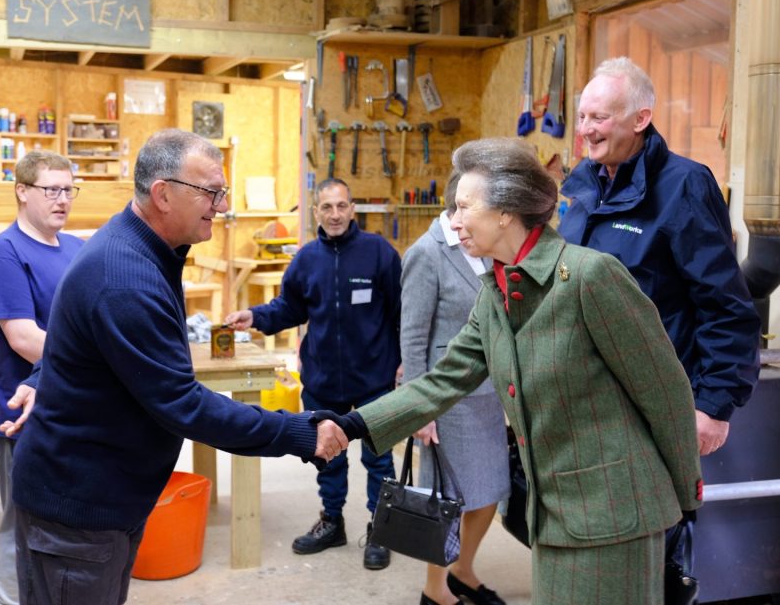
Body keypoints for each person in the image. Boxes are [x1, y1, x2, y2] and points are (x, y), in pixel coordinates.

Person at [326, 138, 703, 605]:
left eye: (464, 207)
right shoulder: (498, 293)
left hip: (615, 515)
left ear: (505, 212)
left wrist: (686, 496)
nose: (454, 220)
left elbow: (663, 390)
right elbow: (444, 381)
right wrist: (350, 426)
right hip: (553, 518)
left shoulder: (589, 277)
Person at [6, 128, 346, 605]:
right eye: (210, 192)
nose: (221, 205)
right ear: (163, 194)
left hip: (105, 498)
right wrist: (299, 432)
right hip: (78, 510)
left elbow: (79, 347)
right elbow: (182, 404)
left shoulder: (142, 249)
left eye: (221, 191)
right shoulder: (125, 276)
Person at [560, 56, 759, 457]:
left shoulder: (684, 186)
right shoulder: (584, 189)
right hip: (584, 402)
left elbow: (724, 304)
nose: (585, 130)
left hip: (653, 404)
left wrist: (714, 405)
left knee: (650, 518)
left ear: (640, 119)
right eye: (581, 117)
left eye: (597, 118)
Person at [224, 178, 401, 570]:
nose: (335, 215)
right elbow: (289, 309)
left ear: (352, 209)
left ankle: (381, 530)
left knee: (379, 457)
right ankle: (332, 521)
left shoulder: (379, 253)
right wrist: (254, 316)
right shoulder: (306, 259)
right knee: (326, 455)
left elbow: (401, 309)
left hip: (374, 374)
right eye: (327, 208)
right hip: (323, 377)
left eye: (341, 206)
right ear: (316, 211)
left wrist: (404, 359)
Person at [0, 151, 85, 605]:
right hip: (24, 412)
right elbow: (23, 337)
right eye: (51, 190)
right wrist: (98, 356)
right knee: (21, 524)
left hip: (77, 406)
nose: (62, 200)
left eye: (69, 190)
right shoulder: (4, 252)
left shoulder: (79, 249)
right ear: (22, 191)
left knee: (72, 519)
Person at [400, 172, 508, 605]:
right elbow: (411, 336)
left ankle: (463, 569)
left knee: (490, 491)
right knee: (446, 499)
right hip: (447, 399)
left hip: (488, 397)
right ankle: (435, 588)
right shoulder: (426, 254)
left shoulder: (481, 246)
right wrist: (419, 408)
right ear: (458, 205)